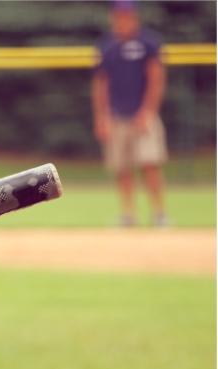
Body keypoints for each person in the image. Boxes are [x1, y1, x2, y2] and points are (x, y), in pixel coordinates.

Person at [92, 1, 169, 227]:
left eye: (126, 16)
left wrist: (148, 111)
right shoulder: (107, 46)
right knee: (122, 167)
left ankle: (159, 213)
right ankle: (128, 215)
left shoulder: (148, 43)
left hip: (142, 116)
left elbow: (156, 79)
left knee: (150, 163)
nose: (122, 20)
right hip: (116, 116)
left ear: (134, 17)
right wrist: (101, 116)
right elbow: (100, 84)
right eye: (118, 16)